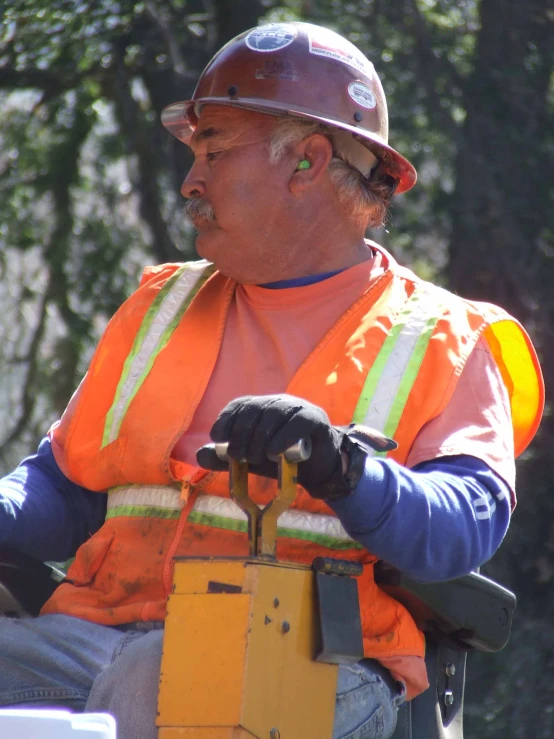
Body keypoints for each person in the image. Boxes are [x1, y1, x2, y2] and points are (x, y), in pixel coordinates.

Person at [0, 21, 544, 739]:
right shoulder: (160, 305)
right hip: (96, 639)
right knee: (143, 675)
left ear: (309, 161)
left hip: (320, 661)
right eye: (194, 151)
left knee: (162, 681)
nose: (191, 179)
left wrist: (347, 468)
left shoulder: (442, 335)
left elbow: (464, 523)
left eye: (215, 150)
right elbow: (63, 489)